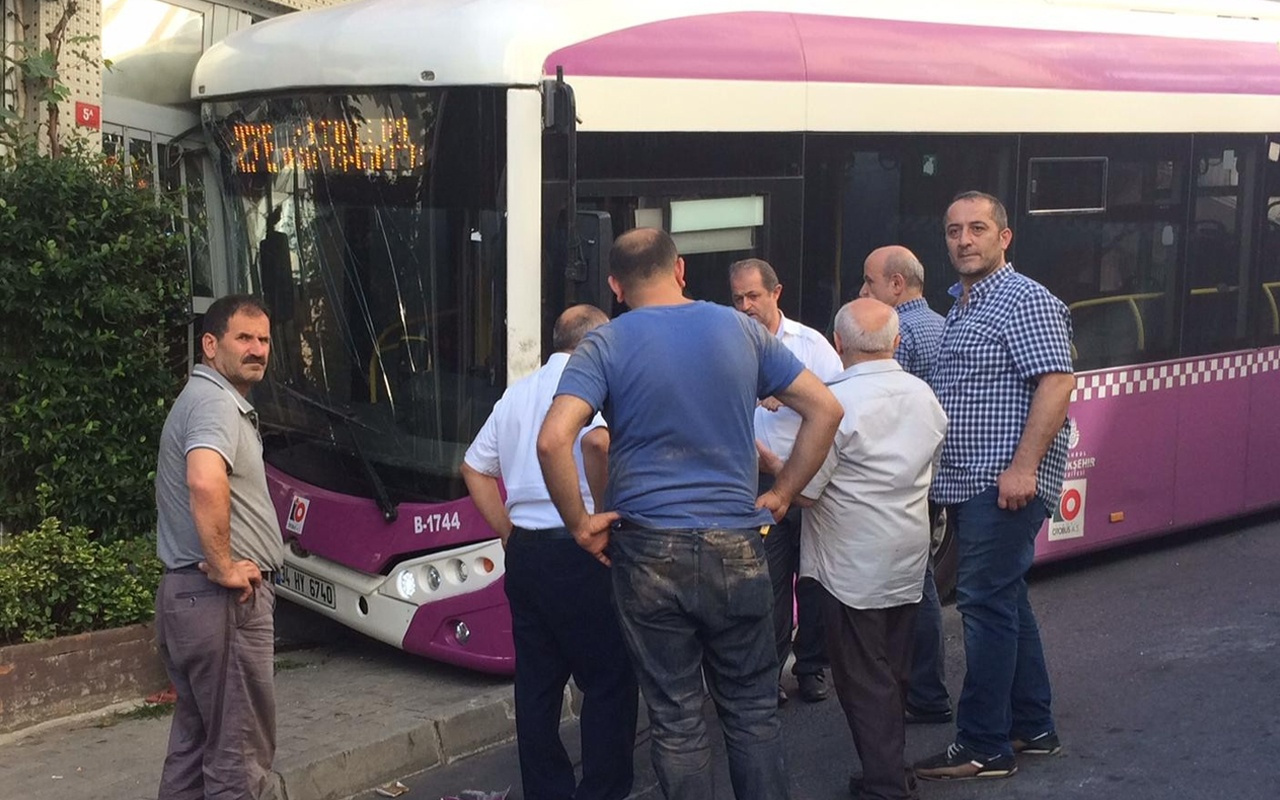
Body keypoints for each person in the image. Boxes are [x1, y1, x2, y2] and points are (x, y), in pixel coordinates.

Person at [537, 228, 843, 800]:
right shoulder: (743, 330)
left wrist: (581, 525)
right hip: (737, 543)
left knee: (676, 721)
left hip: (648, 551)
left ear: (615, 286)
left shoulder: (605, 344)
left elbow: (555, 442)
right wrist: (780, 495)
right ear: (680, 269)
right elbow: (826, 409)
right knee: (753, 715)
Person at [914, 191, 1074, 781]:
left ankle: (983, 745)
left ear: (1004, 237)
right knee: (1006, 602)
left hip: (1002, 482)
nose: (964, 240)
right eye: (954, 230)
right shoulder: (963, 304)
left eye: (977, 228)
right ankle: (1032, 726)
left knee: (983, 606)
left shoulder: (1023, 299)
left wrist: (1025, 466)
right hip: (974, 481)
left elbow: (1056, 384)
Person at [762, 297, 946, 800]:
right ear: (897, 341)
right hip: (906, 553)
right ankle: (887, 766)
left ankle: (885, 782)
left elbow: (805, 488)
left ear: (838, 344)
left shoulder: (833, 404)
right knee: (894, 670)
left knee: (863, 679)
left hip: (850, 564)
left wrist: (769, 462)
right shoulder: (924, 395)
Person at [461, 304, 638, 800]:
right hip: (583, 550)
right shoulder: (593, 385)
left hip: (529, 553)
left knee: (537, 686)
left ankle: (548, 791)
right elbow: (598, 445)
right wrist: (602, 516)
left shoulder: (517, 394)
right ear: (596, 344)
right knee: (606, 679)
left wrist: (506, 531)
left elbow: (474, 467)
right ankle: (602, 790)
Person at [154, 294, 284, 800]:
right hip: (222, 603)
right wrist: (226, 565)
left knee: (193, 748)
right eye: (244, 338)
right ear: (210, 345)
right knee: (237, 759)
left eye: (264, 339)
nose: (257, 349)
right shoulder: (214, 402)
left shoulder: (202, 398)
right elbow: (205, 481)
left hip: (188, 599)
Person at [730, 257, 843, 704]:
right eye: (737, 298)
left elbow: (837, 407)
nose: (745, 306)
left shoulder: (811, 346)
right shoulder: (727, 344)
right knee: (767, 584)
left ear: (776, 294)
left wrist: (790, 398)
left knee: (812, 581)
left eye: (753, 296)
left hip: (808, 484)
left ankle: (811, 666)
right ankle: (770, 674)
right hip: (754, 485)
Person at [860, 245, 953, 725]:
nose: (863, 291)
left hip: (903, 482)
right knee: (922, 582)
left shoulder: (902, 336)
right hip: (932, 475)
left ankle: (924, 693)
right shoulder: (943, 323)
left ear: (896, 286)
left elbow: (893, 412)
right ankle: (925, 690)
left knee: (916, 588)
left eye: (869, 282)